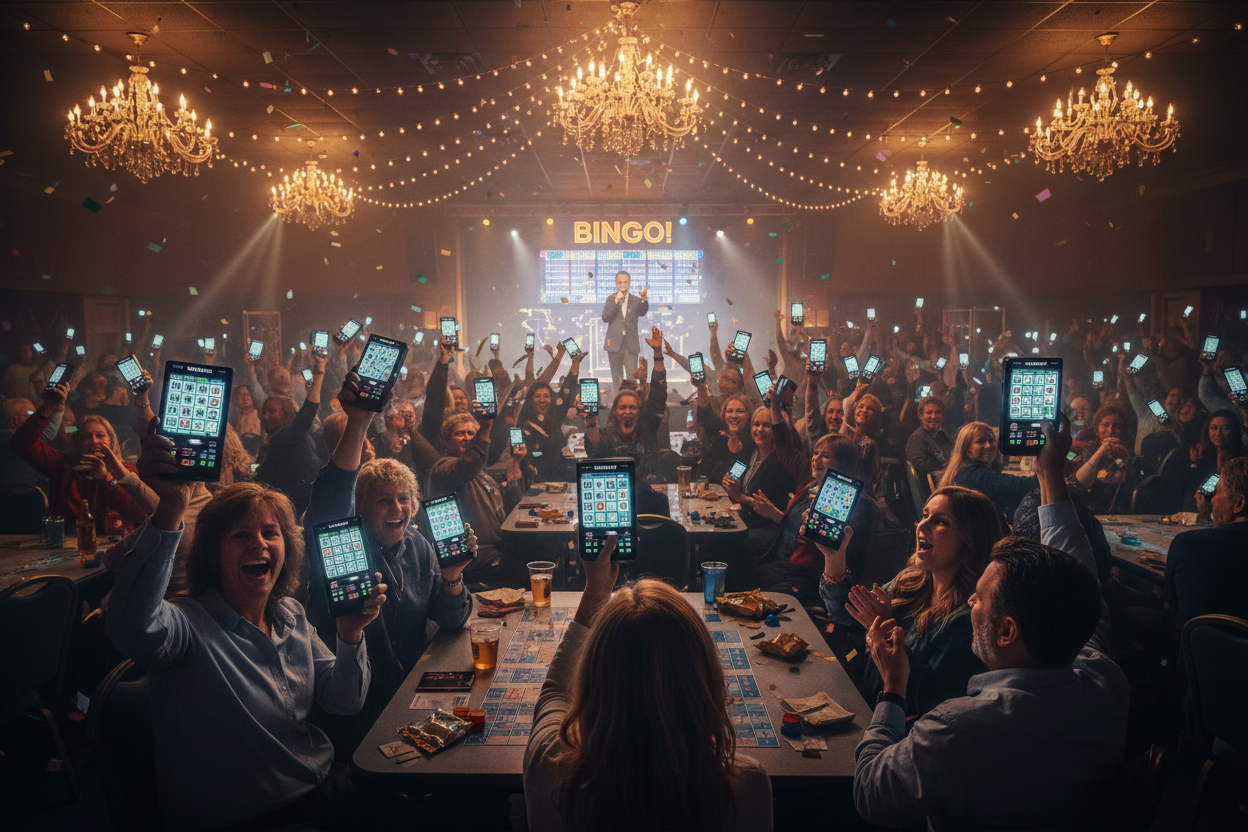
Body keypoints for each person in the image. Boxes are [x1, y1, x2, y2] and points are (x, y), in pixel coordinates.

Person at [852, 416, 1129, 830]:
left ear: (1006, 631)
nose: (970, 601)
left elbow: (870, 793)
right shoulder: (1104, 679)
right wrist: (1049, 472)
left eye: (978, 600)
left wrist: (893, 691)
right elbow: (1078, 577)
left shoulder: (956, 730)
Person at [105, 430, 385, 829]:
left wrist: (350, 632)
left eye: (270, 533)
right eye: (240, 535)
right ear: (213, 555)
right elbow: (129, 626)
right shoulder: (188, 624)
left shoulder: (290, 614)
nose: (260, 544)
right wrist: (171, 508)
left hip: (324, 789)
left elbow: (344, 700)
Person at [523, 543, 772, 832]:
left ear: (591, 682)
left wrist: (596, 589)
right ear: (706, 683)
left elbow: (554, 690)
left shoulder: (548, 764)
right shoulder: (745, 785)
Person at [303, 370, 474, 748]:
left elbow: (450, 618)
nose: (397, 508)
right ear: (360, 508)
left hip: (413, 693)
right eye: (384, 500)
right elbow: (331, 500)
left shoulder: (419, 546)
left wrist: (452, 576)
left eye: (404, 499)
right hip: (359, 704)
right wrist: (359, 420)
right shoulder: (342, 548)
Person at [819, 486, 1003, 717]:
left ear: (971, 538)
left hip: (894, 731)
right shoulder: (910, 582)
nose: (922, 526)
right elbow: (844, 613)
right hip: (863, 702)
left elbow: (932, 700)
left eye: (942, 521)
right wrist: (834, 558)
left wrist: (887, 632)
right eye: (925, 515)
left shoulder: (970, 617)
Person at [12, 381, 152, 534]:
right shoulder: (62, 464)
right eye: (86, 436)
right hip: (68, 543)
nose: (94, 441)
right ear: (77, 442)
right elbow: (22, 445)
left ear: (111, 439)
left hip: (112, 544)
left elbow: (137, 511)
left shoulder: (125, 470)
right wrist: (49, 405)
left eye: (100, 435)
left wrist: (105, 477)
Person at [760, 432, 877, 606]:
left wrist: (816, 526)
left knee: (759, 602)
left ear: (842, 464)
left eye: (825, 456)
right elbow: (795, 530)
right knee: (736, 572)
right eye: (815, 453)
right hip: (784, 565)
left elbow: (831, 540)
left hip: (809, 577)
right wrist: (779, 515)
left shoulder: (847, 497)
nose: (816, 459)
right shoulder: (811, 487)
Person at [429, 408, 529, 587]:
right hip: (473, 557)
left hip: (496, 550)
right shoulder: (443, 469)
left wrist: (514, 463)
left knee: (543, 554)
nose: (467, 438)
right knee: (530, 569)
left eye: (471, 434)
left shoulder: (483, 477)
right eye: (460, 434)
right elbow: (468, 464)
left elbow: (512, 508)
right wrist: (484, 429)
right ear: (446, 442)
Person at [1163, 456, 1248, 629]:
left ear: (1238, 504)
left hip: (1196, 654)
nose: (1213, 499)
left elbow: (1171, 601)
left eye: (1217, 492)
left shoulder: (1186, 545)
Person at [721, 403, 798, 590]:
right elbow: (732, 477)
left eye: (766, 425)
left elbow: (764, 505)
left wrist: (739, 498)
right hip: (746, 518)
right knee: (715, 538)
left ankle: (738, 591)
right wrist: (728, 482)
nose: (760, 430)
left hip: (770, 527)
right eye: (756, 424)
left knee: (732, 544)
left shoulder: (780, 462)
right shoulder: (751, 452)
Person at [584, 327, 668, 482]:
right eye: (623, 407)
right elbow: (594, 445)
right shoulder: (608, 435)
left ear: (640, 411)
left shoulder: (647, 429)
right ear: (614, 411)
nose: (628, 411)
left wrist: (658, 354)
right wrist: (590, 420)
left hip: (650, 495)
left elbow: (658, 394)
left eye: (633, 407)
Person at [254, 351, 326, 518]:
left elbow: (308, 411)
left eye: (272, 412)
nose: (265, 416)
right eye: (264, 412)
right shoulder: (270, 441)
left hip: (297, 509)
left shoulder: (289, 435)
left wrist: (319, 372)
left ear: (286, 414)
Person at [939, 420, 1037, 524]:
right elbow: (1023, 486)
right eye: (980, 442)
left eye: (991, 440)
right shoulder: (972, 474)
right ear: (966, 448)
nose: (988, 446)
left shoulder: (964, 469)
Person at [1068, 404, 1139, 514]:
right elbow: (1078, 484)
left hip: (1120, 514)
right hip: (1088, 511)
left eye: (1116, 426)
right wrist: (1102, 450)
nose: (1110, 430)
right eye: (1105, 425)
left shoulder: (1128, 452)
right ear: (1096, 430)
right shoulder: (1087, 450)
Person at [600, 270, 650, 389]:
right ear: (616, 283)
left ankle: (632, 402)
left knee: (631, 376)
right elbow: (605, 317)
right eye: (620, 282)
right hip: (614, 344)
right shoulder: (610, 299)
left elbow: (642, 312)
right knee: (616, 377)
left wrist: (644, 299)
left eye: (625, 282)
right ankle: (618, 403)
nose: (622, 285)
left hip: (630, 344)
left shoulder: (636, 300)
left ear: (629, 283)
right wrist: (616, 301)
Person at [905, 395, 954, 479]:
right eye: (929, 412)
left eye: (938, 412)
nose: (934, 416)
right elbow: (921, 467)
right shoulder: (917, 439)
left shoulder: (943, 435)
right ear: (920, 416)